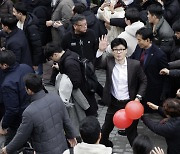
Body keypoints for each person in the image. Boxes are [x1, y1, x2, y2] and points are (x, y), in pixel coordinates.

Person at [1, 73, 77, 154]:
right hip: (62, 147)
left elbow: (21, 136)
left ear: (29, 90)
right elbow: (66, 120)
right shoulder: (55, 97)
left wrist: (6, 149)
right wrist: (71, 136)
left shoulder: (29, 112)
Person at [96, 37, 147, 147]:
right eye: (115, 50)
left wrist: (138, 97)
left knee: (131, 133)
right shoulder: (109, 62)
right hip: (114, 103)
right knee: (105, 130)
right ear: (112, 51)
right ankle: (106, 147)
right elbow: (97, 65)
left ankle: (137, 151)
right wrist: (100, 50)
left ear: (126, 50)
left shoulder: (135, 64)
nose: (118, 52)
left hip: (130, 104)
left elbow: (144, 81)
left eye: (121, 49)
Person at [44, 42, 97, 116]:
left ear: (55, 54)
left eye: (51, 58)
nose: (52, 60)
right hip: (86, 91)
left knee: (87, 117)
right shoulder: (71, 54)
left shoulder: (69, 63)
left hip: (83, 95)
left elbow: (75, 83)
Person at [0, 50, 34, 147]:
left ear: (5, 65)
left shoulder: (8, 84)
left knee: (11, 145)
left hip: (19, 118)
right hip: (31, 107)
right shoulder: (26, 67)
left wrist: (4, 125)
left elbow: (12, 109)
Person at [131, 27, 169, 112]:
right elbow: (132, 59)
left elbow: (165, 76)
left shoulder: (159, 55)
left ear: (147, 40)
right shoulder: (138, 47)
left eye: (139, 40)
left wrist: (163, 94)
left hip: (151, 90)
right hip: (137, 85)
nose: (138, 42)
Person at [13, 2, 43, 75]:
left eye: (14, 12)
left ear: (20, 14)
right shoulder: (17, 22)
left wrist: (35, 63)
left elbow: (37, 46)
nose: (13, 13)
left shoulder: (31, 27)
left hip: (31, 59)